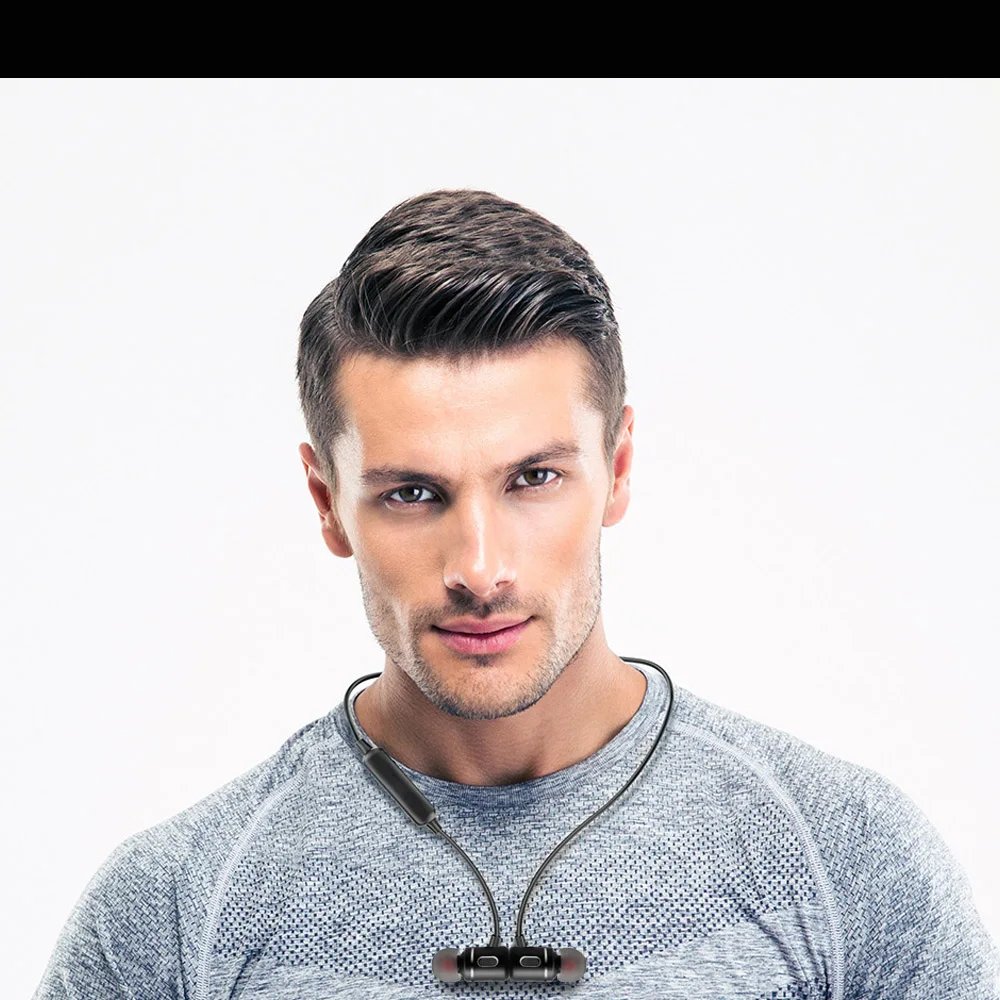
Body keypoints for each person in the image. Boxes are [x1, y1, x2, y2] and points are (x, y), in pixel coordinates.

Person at [33, 190, 999, 998]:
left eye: (533, 479)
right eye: (414, 494)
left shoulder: (845, 863)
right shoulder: (174, 911)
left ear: (618, 469)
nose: (480, 567)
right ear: (327, 504)